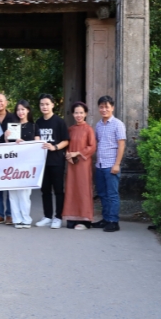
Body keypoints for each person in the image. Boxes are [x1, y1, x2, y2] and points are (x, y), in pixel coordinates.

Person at [92, 95, 126, 233]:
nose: (104, 109)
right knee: (102, 194)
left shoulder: (118, 124)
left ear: (112, 107)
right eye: (101, 107)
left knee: (112, 194)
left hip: (111, 165)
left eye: (107, 107)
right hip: (99, 165)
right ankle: (106, 219)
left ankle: (113, 221)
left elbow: (121, 144)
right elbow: (96, 143)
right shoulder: (99, 125)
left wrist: (117, 164)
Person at [35, 94, 70, 229]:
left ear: (53, 105)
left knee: (58, 190)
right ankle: (47, 216)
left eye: (47, 104)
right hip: (42, 162)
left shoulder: (59, 122)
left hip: (56, 161)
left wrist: (54, 147)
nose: (44, 106)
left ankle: (58, 217)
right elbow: (35, 140)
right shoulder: (38, 122)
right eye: (42, 104)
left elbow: (66, 141)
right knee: (45, 191)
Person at [4, 100, 40, 228]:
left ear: (28, 110)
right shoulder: (12, 127)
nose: (20, 112)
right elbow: (7, 146)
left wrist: (24, 143)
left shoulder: (34, 126)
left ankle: (26, 218)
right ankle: (16, 219)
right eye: (18, 109)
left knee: (25, 193)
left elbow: (37, 145)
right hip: (13, 163)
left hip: (27, 164)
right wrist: (6, 137)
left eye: (23, 109)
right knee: (13, 193)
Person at [62, 102, 97, 230]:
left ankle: (85, 220)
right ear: (73, 114)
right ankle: (71, 218)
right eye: (76, 112)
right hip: (72, 164)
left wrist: (78, 153)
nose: (79, 115)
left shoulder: (88, 129)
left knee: (83, 189)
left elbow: (92, 146)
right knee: (71, 189)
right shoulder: (70, 129)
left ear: (86, 114)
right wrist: (67, 155)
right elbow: (65, 144)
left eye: (81, 112)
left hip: (83, 164)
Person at [0, 92, 19, 225]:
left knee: (10, 186)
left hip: (11, 156)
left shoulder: (14, 117)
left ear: (6, 103)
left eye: (1, 101)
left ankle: (10, 215)